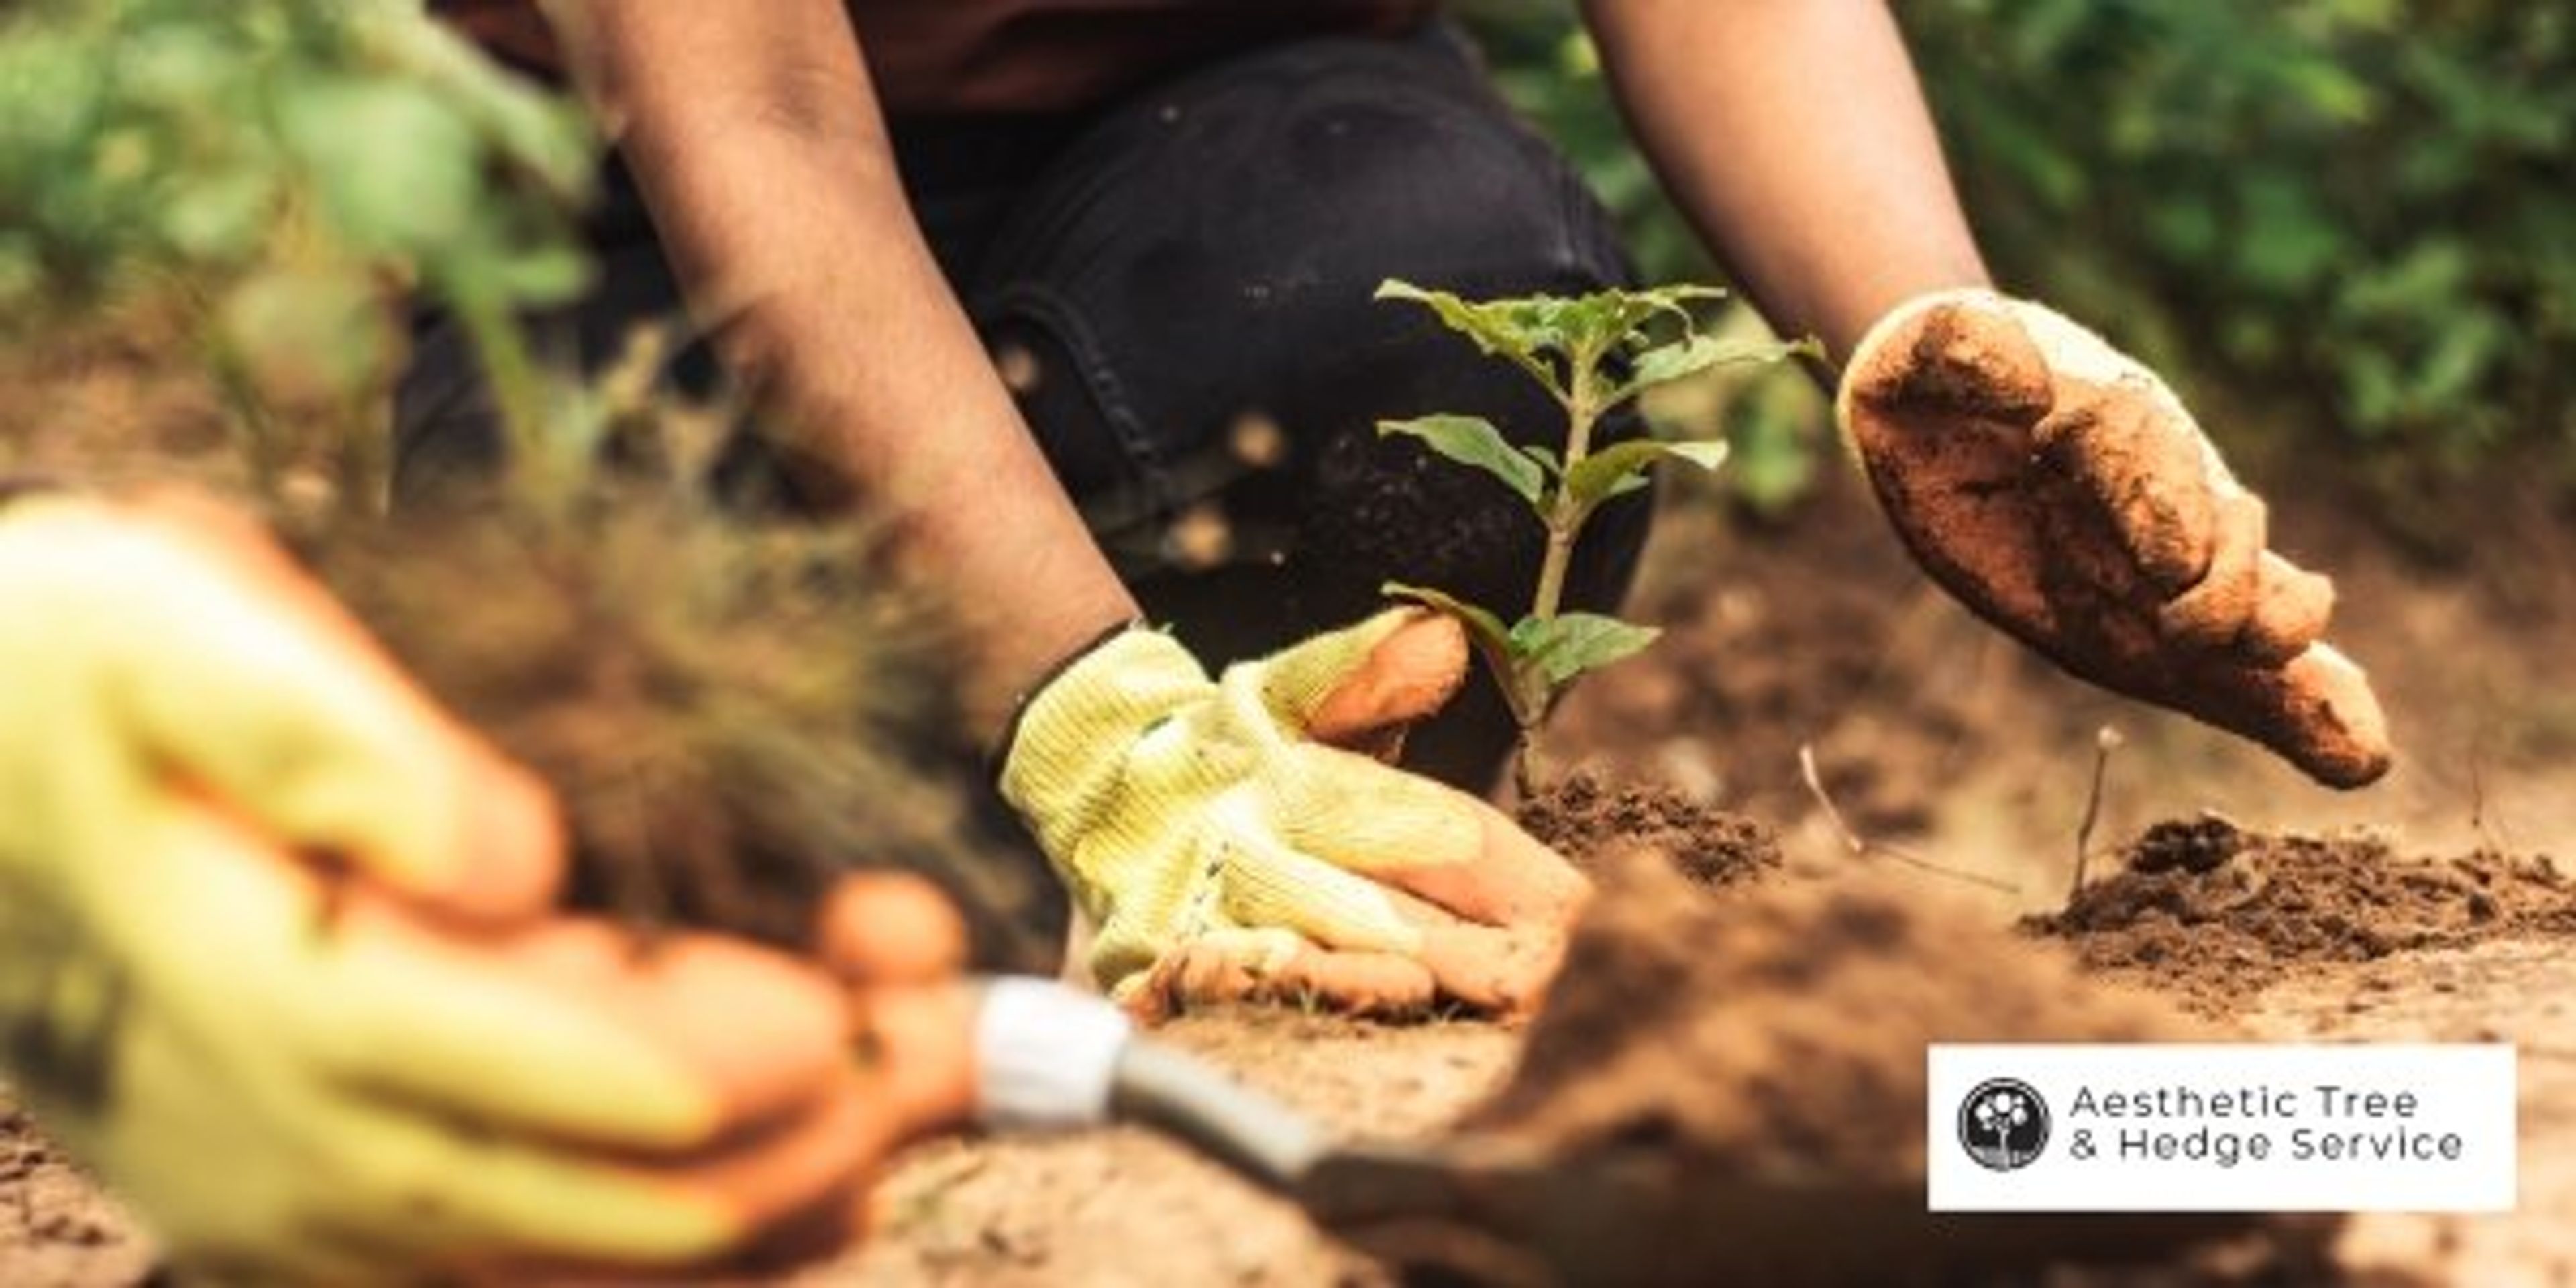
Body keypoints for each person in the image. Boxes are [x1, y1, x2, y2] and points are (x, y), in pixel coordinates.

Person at [0, 0, 2391, 1278]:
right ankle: (1109, 871)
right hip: (680, 246)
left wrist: (1934, 340)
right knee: (666, 870)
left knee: (1401, 289)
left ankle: (1355, 949)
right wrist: (1097, 728)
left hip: (1255, 182)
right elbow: (750, 120)